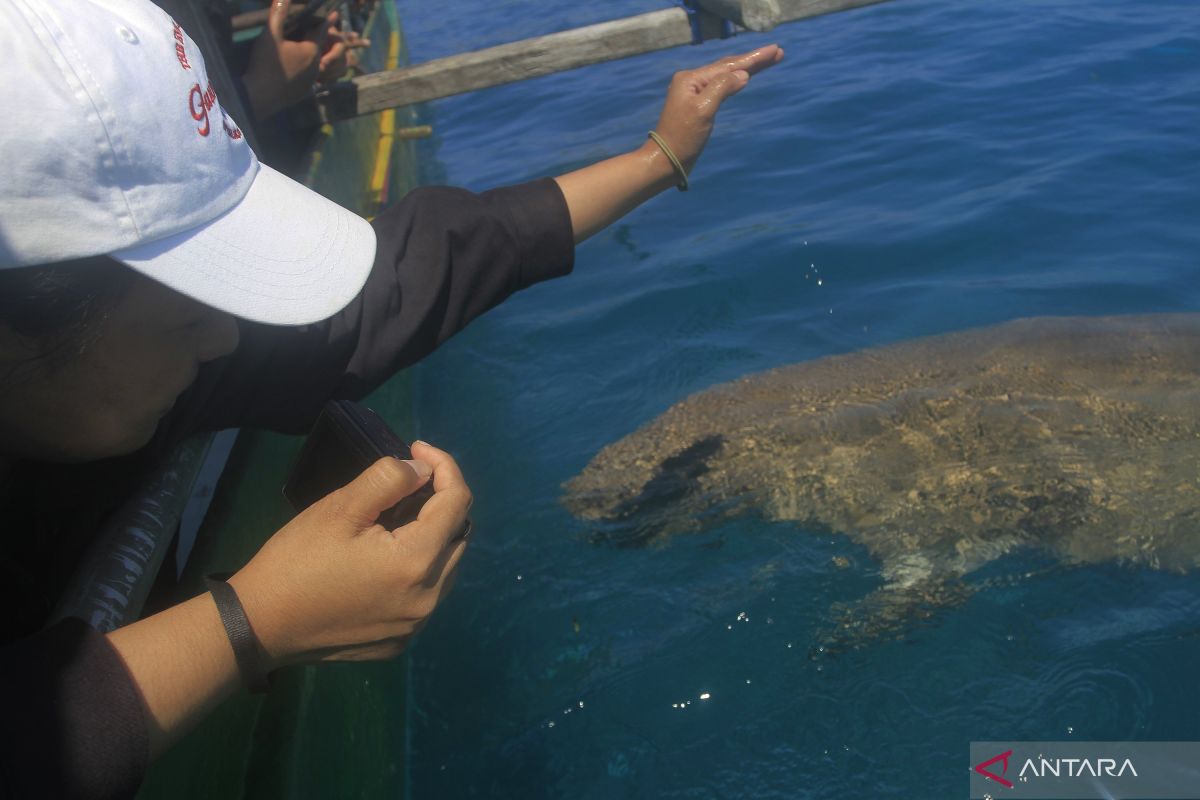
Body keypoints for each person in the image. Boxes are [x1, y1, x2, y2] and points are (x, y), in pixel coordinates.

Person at [0, 0, 782, 797]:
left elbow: (395, 288)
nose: (224, 341)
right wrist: (249, 624)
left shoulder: (130, 366)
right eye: (189, 310)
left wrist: (659, 157)